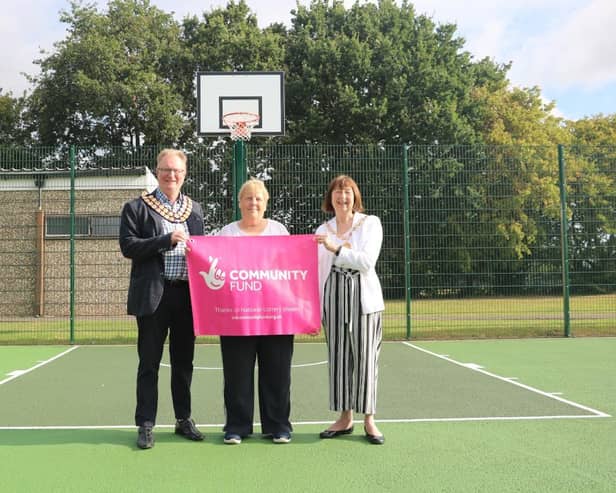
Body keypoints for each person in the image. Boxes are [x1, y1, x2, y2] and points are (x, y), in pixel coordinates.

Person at [119, 149, 205, 449]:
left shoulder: (195, 210)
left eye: (177, 170)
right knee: (149, 363)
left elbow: (202, 250)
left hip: (186, 295)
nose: (171, 175)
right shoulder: (137, 207)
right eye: (166, 169)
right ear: (157, 171)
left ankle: (183, 419)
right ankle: (145, 423)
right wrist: (164, 241)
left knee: (184, 362)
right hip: (154, 294)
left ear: (185, 173)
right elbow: (128, 246)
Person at [217, 178, 294, 445]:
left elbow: (293, 269)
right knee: (236, 374)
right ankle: (236, 426)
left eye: (258, 198)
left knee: (278, 372)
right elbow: (217, 269)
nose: (253, 202)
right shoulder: (226, 233)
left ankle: (278, 426)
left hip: (276, 315)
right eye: (248, 198)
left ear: (266, 202)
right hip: (238, 315)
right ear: (240, 203)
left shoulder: (279, 230)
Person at [315, 175, 386, 445]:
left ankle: (369, 419)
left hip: (363, 298)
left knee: (366, 357)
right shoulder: (323, 228)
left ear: (355, 197)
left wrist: (336, 249)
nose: (342, 198)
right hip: (333, 296)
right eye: (337, 193)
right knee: (339, 357)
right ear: (330, 198)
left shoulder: (370, 223)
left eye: (347, 193)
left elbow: (367, 262)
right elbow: (318, 271)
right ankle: (345, 418)